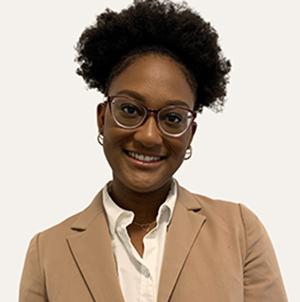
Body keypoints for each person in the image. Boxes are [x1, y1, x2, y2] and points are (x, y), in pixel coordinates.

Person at [19, 0, 288, 301]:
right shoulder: (47, 251)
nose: (149, 136)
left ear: (190, 134)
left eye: (172, 118)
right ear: (102, 118)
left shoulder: (240, 231)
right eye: (130, 110)